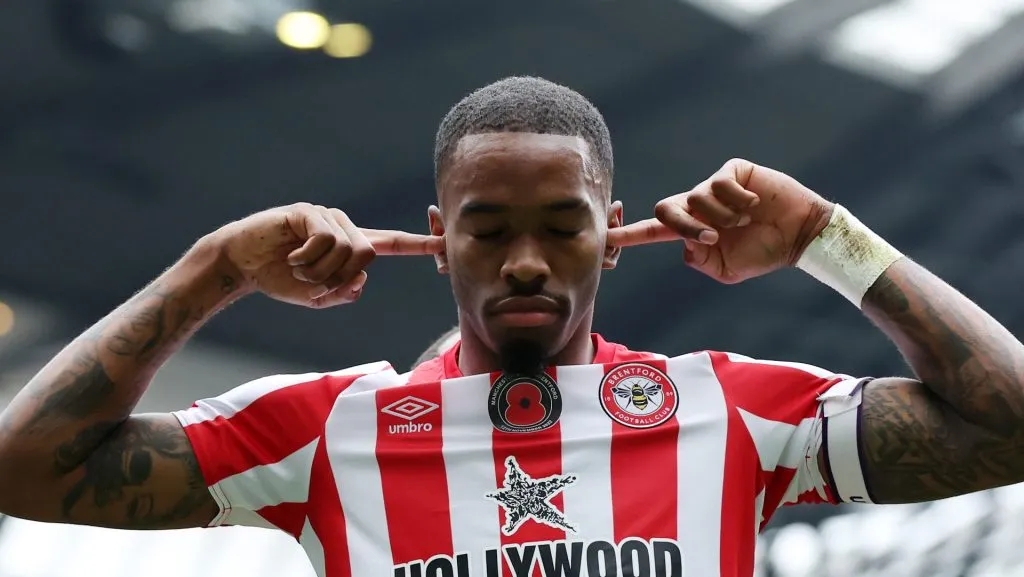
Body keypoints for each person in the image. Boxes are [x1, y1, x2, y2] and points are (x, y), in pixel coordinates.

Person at [1, 76, 1022, 577]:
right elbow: (29, 466)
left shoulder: (732, 409)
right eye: (488, 230)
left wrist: (823, 238)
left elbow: (1006, 423)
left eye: (561, 226)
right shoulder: (324, 430)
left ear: (612, 235)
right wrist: (215, 265)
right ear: (440, 239)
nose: (525, 259)